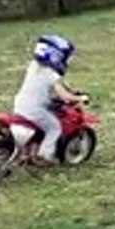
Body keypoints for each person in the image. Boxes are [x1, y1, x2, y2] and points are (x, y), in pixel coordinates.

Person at [13, 34, 86, 164]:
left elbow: (59, 83)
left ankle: (28, 152)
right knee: (54, 127)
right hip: (35, 110)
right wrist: (78, 97)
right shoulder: (51, 74)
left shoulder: (34, 65)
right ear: (56, 55)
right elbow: (64, 96)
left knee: (42, 124)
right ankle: (44, 155)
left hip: (19, 105)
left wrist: (71, 89)